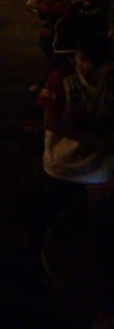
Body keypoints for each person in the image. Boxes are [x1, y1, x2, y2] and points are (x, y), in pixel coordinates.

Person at [33, 34, 113, 272]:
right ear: (75, 57)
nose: (87, 66)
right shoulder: (61, 79)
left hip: (98, 172)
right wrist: (97, 141)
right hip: (63, 166)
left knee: (88, 226)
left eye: (95, 62)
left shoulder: (108, 84)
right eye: (83, 59)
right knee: (53, 217)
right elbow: (50, 120)